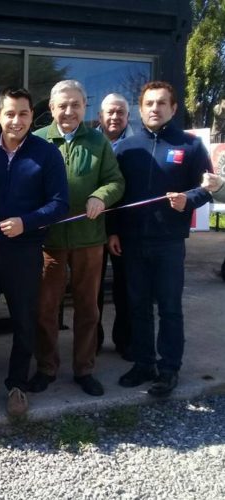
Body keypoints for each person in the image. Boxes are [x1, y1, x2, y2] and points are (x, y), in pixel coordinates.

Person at [0, 87, 69, 417]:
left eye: (23, 113)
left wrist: (27, 222)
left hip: (24, 252)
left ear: (32, 117)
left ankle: (16, 384)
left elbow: (59, 204)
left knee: (24, 321)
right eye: (9, 113)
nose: (16, 120)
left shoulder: (46, 154)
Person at [109, 81, 212, 397]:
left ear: (173, 108)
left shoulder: (190, 146)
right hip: (132, 242)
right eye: (149, 103)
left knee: (169, 307)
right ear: (140, 110)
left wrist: (189, 200)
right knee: (137, 306)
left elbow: (206, 188)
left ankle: (168, 369)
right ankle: (143, 363)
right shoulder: (126, 149)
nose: (155, 108)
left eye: (162, 103)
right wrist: (112, 230)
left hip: (168, 243)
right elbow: (116, 193)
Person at [30, 80, 124, 397]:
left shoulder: (98, 142)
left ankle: (84, 369)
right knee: (45, 308)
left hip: (89, 240)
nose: (68, 111)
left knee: (87, 309)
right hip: (49, 242)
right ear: (52, 109)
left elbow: (115, 181)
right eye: (62, 105)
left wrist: (101, 196)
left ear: (84, 107)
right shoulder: (37, 141)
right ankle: (46, 367)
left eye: (75, 105)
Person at [96, 93, 133, 359]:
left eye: (120, 112)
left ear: (128, 116)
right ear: (100, 116)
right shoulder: (89, 142)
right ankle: (92, 343)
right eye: (110, 112)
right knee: (92, 292)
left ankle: (124, 342)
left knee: (124, 289)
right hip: (92, 228)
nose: (115, 117)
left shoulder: (137, 145)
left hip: (123, 229)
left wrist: (116, 230)